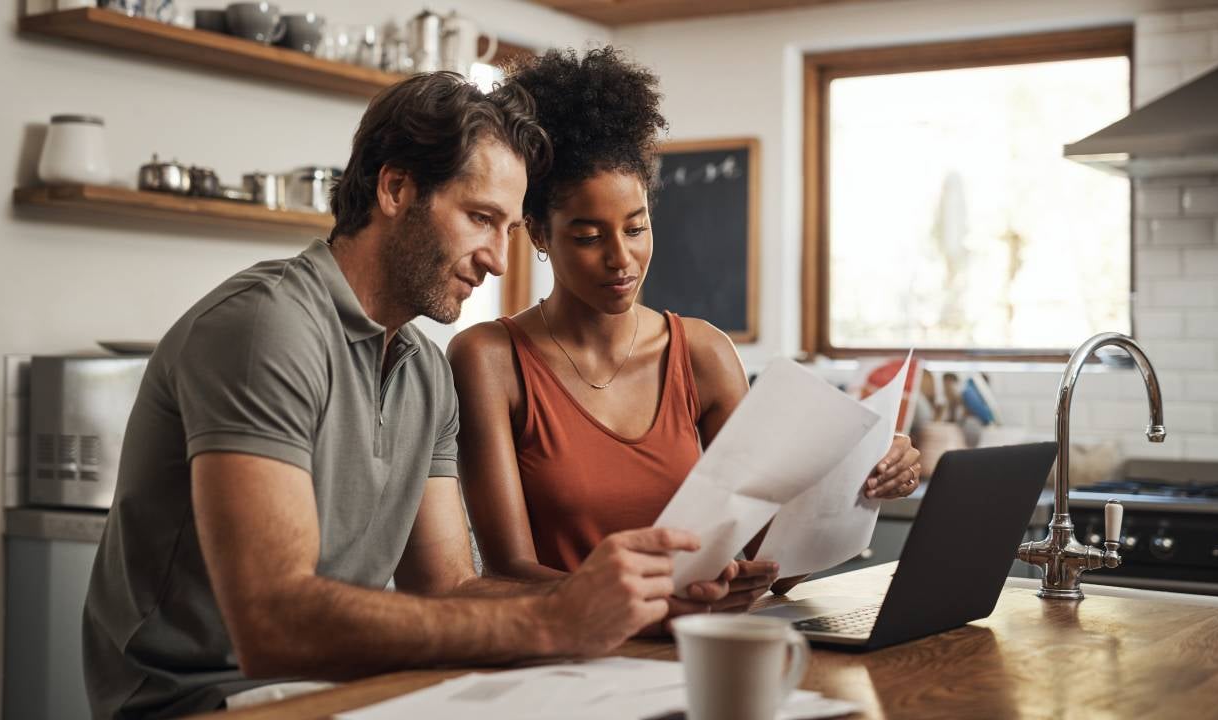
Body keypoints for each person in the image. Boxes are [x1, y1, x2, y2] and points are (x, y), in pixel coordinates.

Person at [82, 72, 734, 720]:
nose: (498, 260)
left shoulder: (423, 369)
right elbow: (272, 624)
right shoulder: (266, 328)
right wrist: (549, 622)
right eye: (481, 219)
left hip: (345, 689)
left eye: (508, 228)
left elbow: (449, 587)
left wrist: (633, 609)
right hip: (204, 700)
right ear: (396, 188)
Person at [447, 48, 922, 605]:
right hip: (567, 660)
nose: (620, 258)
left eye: (636, 227)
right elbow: (509, 573)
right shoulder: (488, 358)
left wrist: (864, 483)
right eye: (588, 236)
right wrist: (656, 603)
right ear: (538, 234)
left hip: (697, 646)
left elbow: (775, 563)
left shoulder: (702, 353)